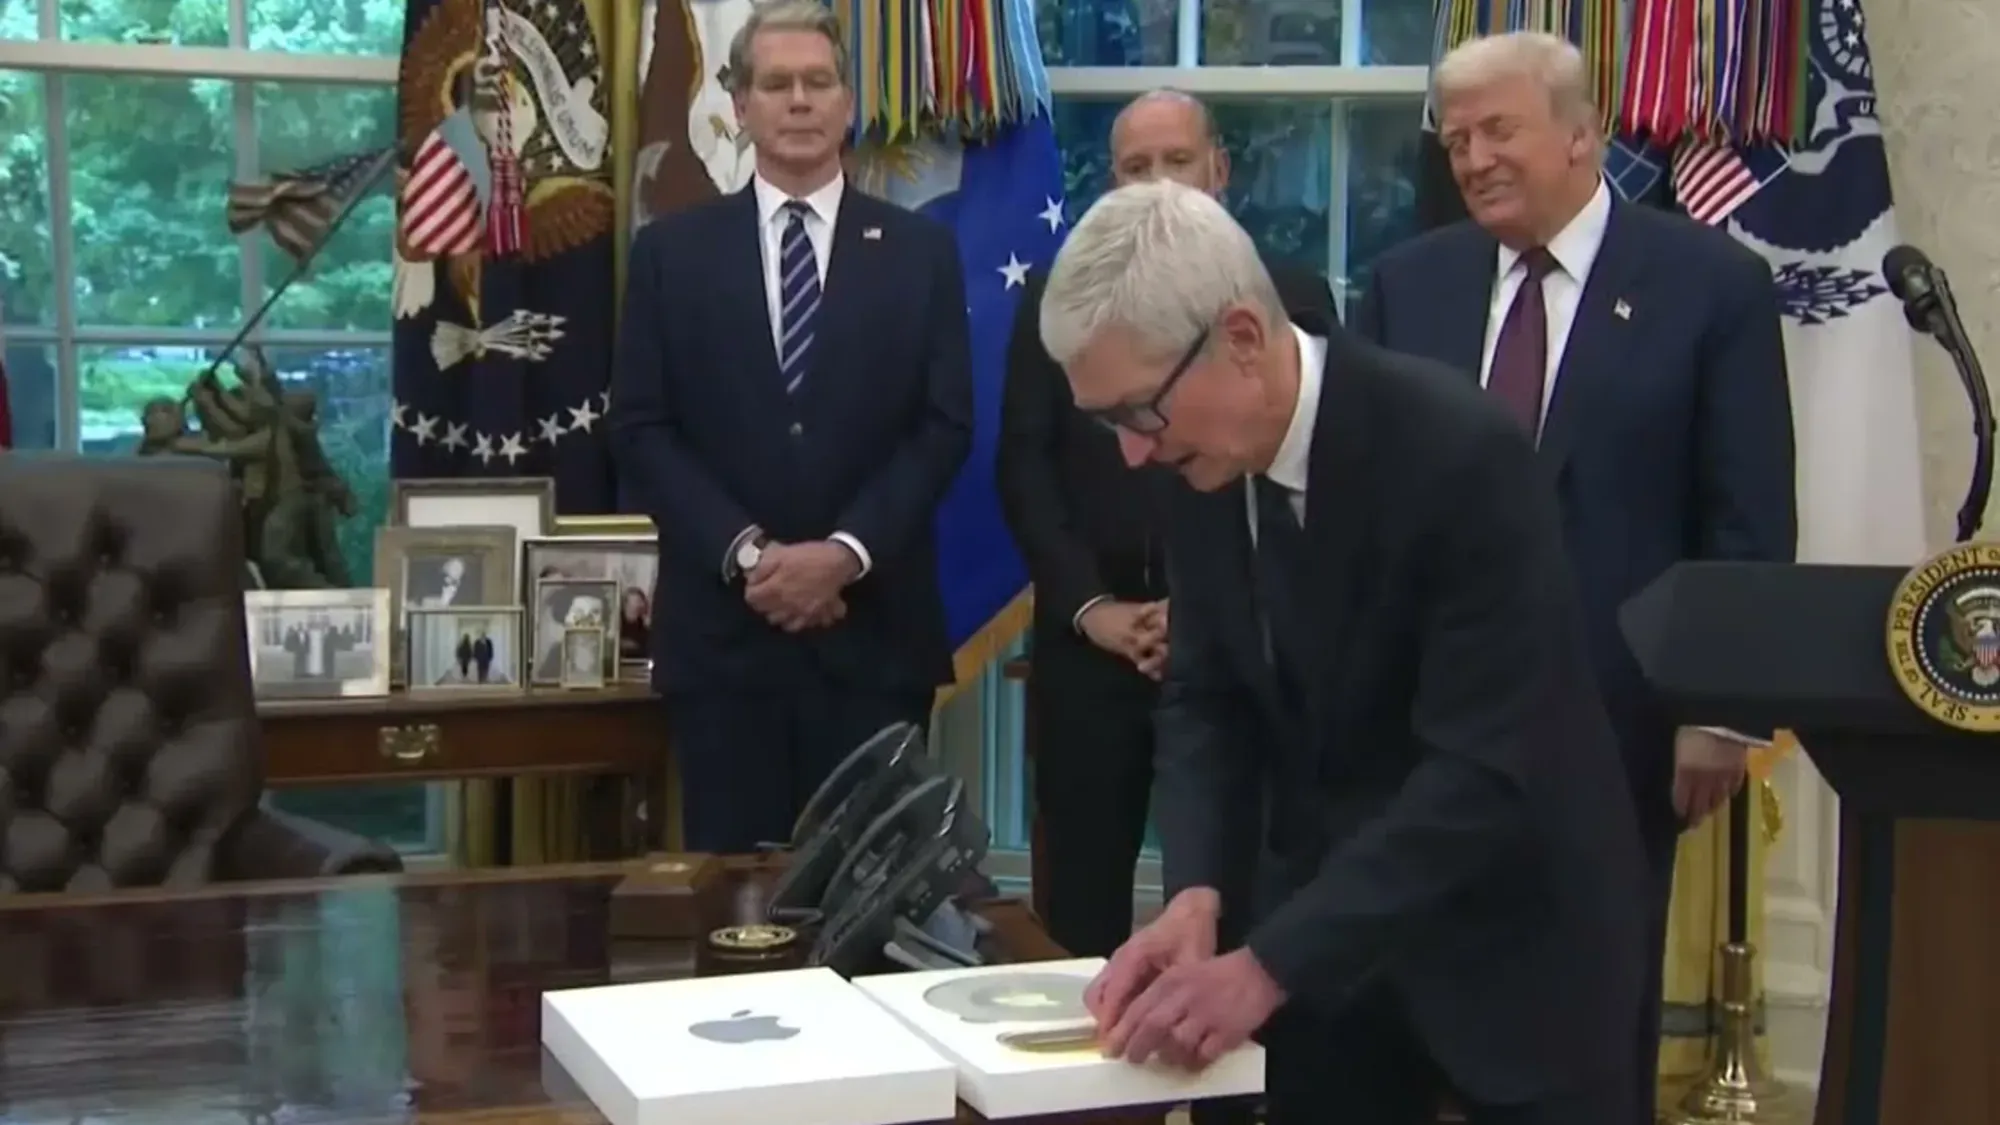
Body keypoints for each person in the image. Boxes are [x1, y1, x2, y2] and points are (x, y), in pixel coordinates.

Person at [1044, 180, 1647, 1124]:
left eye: (1138, 414)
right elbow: (1207, 695)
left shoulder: (1458, 453)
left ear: (1241, 338)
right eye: (1107, 422)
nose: (1129, 454)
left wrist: (1269, 964)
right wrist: (1197, 889)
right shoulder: (1193, 456)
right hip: (1328, 971)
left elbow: (1483, 770)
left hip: (1512, 958)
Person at [1348, 33, 1797, 1121]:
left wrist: (1720, 714)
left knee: (1589, 1025)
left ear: (1580, 133)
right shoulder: (1409, 286)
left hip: (1620, 730)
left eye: (1497, 130)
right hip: (1428, 732)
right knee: (1423, 1019)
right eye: (1455, 140)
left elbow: (1745, 514)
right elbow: (1361, 508)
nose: (1472, 159)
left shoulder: (1708, 284)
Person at [610, 0, 972, 853]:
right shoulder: (672, 253)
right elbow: (642, 427)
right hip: (725, 644)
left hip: (875, 641)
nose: (799, 100)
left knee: (870, 903)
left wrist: (842, 554)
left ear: (849, 103)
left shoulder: (922, 251)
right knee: (736, 915)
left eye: (818, 82)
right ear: (740, 106)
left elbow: (945, 424)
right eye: (776, 84)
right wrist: (749, 556)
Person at [997, 88, 1340, 965]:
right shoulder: (1060, 303)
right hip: (1092, 646)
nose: (1156, 182)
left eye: (1176, 161)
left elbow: (1313, 488)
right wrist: (1093, 610)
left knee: (1237, 887)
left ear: (1219, 169)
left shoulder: (1286, 297)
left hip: (1239, 645)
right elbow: (1025, 468)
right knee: (1079, 903)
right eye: (1133, 167)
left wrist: (1208, 615)